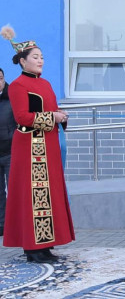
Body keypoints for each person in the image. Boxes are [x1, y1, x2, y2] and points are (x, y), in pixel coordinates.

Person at [1, 26, 75, 262]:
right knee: (32, 196)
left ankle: (45, 244)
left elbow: (50, 110)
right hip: (29, 149)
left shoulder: (46, 84)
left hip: (48, 146)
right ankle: (32, 248)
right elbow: (22, 117)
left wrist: (60, 115)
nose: (40, 60)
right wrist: (52, 117)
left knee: (48, 195)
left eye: (41, 56)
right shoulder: (18, 86)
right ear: (23, 61)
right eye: (35, 57)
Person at [0, 68, 16, 238]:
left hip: (11, 151)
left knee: (14, 190)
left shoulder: (12, 96)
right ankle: (1, 225)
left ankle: (15, 225)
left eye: (0, 78)